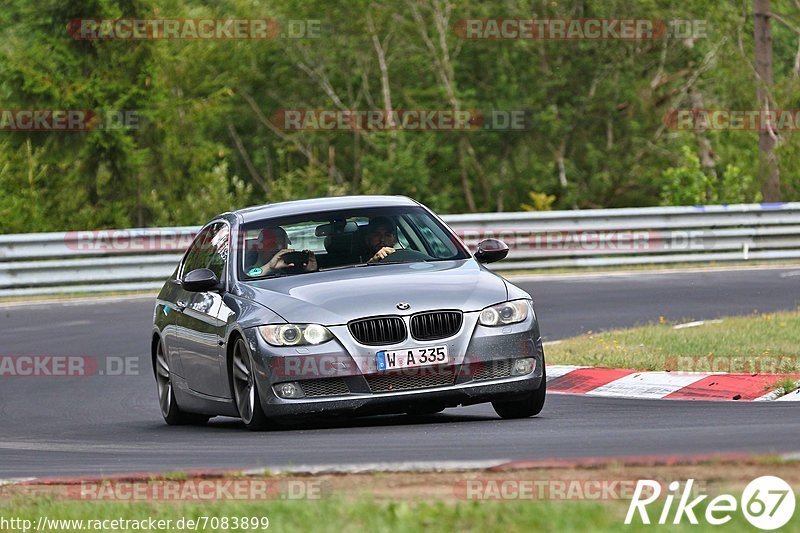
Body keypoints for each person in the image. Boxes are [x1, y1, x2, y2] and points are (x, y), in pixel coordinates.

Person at [245, 226, 317, 276]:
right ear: (258, 247)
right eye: (272, 245)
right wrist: (269, 267)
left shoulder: (291, 267)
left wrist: (310, 272)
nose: (278, 249)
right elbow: (249, 275)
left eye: (282, 245)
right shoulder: (245, 269)